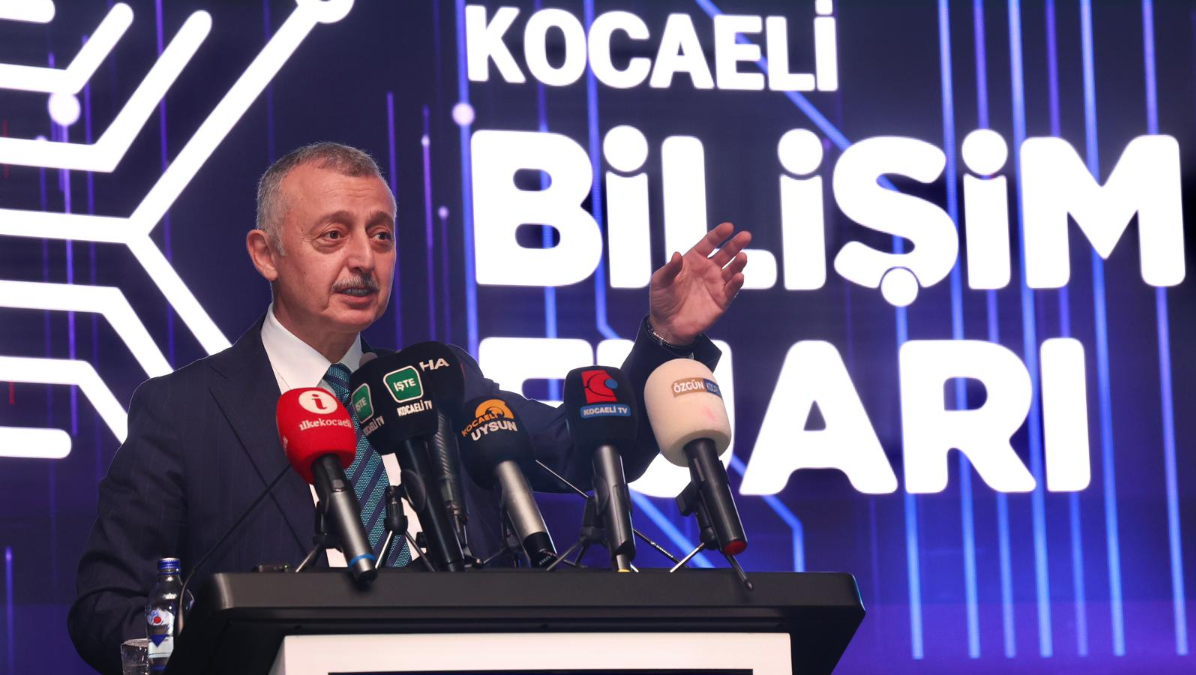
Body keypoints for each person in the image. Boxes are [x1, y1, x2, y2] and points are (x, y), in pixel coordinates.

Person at [67, 142, 751, 674]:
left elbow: (590, 451)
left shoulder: (442, 382)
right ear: (265, 254)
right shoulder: (184, 410)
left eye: (382, 235)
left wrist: (666, 339)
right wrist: (205, 648)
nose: (364, 259)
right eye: (332, 236)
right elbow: (106, 607)